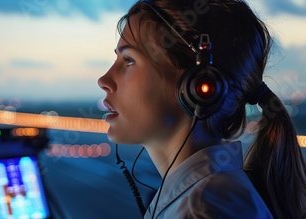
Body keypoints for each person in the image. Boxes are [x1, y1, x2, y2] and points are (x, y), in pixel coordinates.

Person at [98, 0, 306, 218]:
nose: (104, 80)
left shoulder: (204, 210)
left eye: (129, 60)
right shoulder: (205, 199)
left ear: (197, 85)